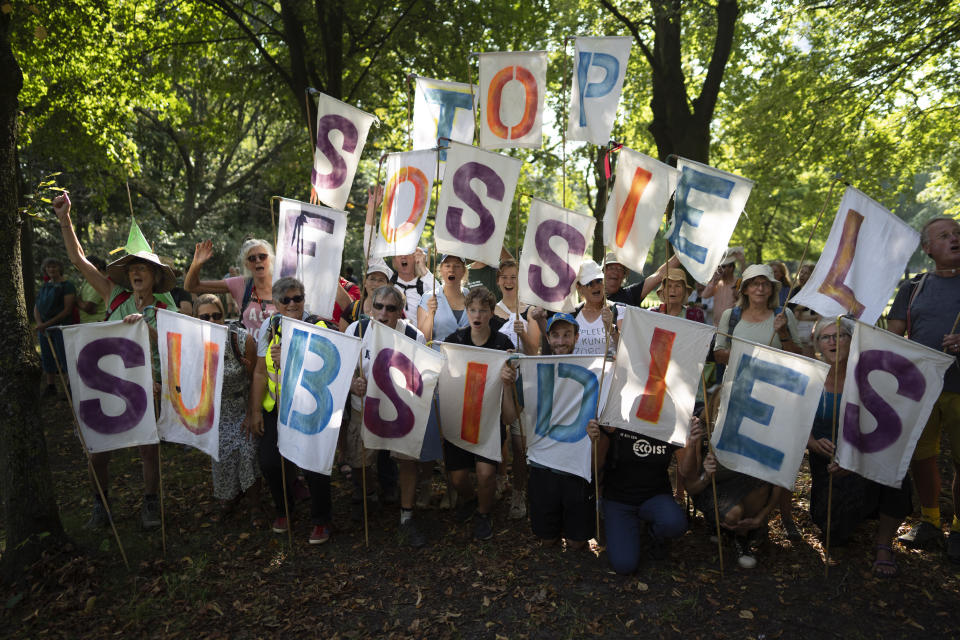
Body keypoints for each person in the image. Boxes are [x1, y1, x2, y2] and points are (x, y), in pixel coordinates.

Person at [53, 192, 177, 530]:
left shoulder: (167, 309)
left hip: (148, 385)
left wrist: (147, 335)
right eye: (133, 268)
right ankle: (100, 505)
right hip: (106, 382)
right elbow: (80, 260)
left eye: (143, 269)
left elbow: (173, 351)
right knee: (98, 450)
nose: (137, 273)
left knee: (148, 449)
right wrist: (65, 218)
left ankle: (150, 503)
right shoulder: (114, 296)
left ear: (154, 276)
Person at [806, 317, 913, 576]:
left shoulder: (871, 377)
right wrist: (811, 443)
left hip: (865, 456)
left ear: (851, 341)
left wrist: (855, 459)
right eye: (826, 337)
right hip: (828, 462)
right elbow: (793, 422)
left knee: (896, 472)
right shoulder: (810, 376)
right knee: (835, 533)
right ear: (818, 344)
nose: (833, 341)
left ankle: (883, 545)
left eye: (840, 335)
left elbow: (888, 429)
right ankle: (864, 508)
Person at [887, 216, 960, 562]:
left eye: (957, 233)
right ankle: (930, 521)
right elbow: (893, 337)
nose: (955, 238)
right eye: (944, 236)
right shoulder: (912, 288)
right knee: (922, 456)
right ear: (928, 249)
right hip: (923, 389)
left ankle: (959, 528)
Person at [714, 263, 802, 541]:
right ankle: (739, 513)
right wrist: (751, 357)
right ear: (745, 289)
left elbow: (799, 355)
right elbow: (718, 354)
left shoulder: (783, 314)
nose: (760, 288)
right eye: (755, 283)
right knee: (739, 456)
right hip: (738, 397)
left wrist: (784, 332)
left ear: (774, 288)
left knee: (776, 459)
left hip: (775, 401)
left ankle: (784, 516)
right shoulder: (731, 316)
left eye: (765, 284)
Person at [245, 277, 335, 545]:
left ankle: (321, 520)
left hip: (310, 408)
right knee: (271, 463)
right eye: (285, 300)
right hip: (278, 408)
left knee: (312, 466)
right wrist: (256, 412)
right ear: (275, 304)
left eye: (297, 298)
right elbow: (260, 372)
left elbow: (329, 364)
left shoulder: (319, 325)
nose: (292, 303)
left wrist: (291, 356)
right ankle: (284, 510)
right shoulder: (270, 326)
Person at [346, 285, 437, 548]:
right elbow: (345, 368)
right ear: (369, 307)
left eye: (391, 308)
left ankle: (406, 516)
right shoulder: (357, 330)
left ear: (400, 311)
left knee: (407, 461)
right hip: (364, 408)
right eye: (378, 306)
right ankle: (369, 496)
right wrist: (353, 383)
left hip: (402, 412)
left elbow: (421, 376)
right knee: (360, 462)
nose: (383, 313)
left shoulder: (412, 335)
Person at [501, 312, 595, 550]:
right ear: (548, 338)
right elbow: (509, 417)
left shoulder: (595, 368)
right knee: (547, 540)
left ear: (576, 337)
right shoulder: (533, 369)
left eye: (567, 335)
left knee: (577, 543)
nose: (561, 340)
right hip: (543, 464)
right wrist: (506, 385)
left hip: (576, 465)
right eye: (555, 335)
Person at [442, 287, 515, 540]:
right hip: (460, 416)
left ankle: (484, 514)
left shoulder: (503, 344)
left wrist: (508, 378)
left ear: (491, 313)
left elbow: (510, 406)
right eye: (472, 310)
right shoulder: (454, 341)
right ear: (467, 310)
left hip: (488, 420)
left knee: (486, 474)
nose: (477, 315)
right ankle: (470, 500)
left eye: (483, 310)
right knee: (458, 478)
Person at [587, 416, 699, 574]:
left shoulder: (671, 420)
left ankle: (655, 534)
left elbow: (687, 471)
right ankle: (625, 531)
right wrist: (594, 442)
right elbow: (594, 468)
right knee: (624, 566)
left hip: (655, 497)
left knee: (675, 524)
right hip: (619, 499)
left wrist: (691, 445)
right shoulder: (615, 418)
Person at [682, 426, 782, 570]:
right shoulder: (702, 428)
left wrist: (761, 516)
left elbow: (779, 479)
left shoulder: (761, 427)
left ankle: (742, 537)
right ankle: (718, 524)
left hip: (740, 485)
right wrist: (706, 477)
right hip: (710, 488)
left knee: (763, 480)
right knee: (733, 513)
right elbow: (691, 488)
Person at [195, 294, 259, 516]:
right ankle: (229, 498)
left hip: (243, 405)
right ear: (196, 319)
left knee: (248, 455)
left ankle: (255, 506)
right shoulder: (193, 343)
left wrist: (252, 413)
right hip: (216, 411)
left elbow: (255, 380)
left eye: (217, 315)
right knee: (222, 457)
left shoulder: (241, 340)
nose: (212, 321)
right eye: (205, 317)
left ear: (224, 315)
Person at [493, 258, 541, 519]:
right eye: (505, 277)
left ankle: (519, 493)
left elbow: (533, 350)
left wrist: (522, 333)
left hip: (523, 384)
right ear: (498, 280)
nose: (509, 282)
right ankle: (499, 478)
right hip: (497, 384)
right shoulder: (492, 310)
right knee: (496, 438)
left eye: (514, 277)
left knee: (519, 444)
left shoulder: (530, 310)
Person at [186, 238, 277, 335]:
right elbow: (191, 287)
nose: (258, 260)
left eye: (262, 256)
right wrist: (197, 263)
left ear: (270, 259)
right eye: (252, 258)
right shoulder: (241, 284)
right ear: (246, 264)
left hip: (277, 349)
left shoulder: (282, 285)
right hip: (248, 349)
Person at [34, 256, 76, 394]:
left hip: (61, 327)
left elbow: (67, 310)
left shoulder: (67, 285)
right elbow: (37, 307)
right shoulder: (45, 286)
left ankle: (70, 387)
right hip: (44, 329)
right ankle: (51, 386)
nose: (51, 269)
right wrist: (40, 324)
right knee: (46, 356)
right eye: (49, 267)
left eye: (54, 266)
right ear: (45, 270)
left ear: (60, 268)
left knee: (65, 356)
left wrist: (46, 324)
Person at [571, 260, 621, 356]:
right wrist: (540, 319)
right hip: (576, 370)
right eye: (589, 283)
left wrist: (612, 330)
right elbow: (558, 342)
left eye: (599, 281)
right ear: (579, 288)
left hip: (606, 371)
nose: (596, 286)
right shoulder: (572, 313)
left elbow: (627, 350)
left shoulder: (618, 310)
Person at [418, 254, 468, 347]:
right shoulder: (429, 297)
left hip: (466, 359)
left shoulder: (472, 297)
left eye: (457, 266)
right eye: (447, 265)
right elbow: (422, 340)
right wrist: (430, 314)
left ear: (464, 271)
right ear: (440, 270)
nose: (451, 270)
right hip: (438, 359)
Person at [603, 252, 678, 307]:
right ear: (602, 272)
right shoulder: (593, 296)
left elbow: (659, 275)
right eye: (611, 268)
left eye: (620, 269)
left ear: (624, 275)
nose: (615, 271)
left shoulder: (631, 294)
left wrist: (681, 254)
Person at [701, 248, 741, 327]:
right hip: (716, 325)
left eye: (724, 266)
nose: (722, 269)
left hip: (733, 325)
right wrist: (714, 280)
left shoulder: (738, 282)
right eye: (721, 267)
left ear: (731, 268)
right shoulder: (717, 283)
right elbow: (704, 295)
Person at [788, 263, 819, 356]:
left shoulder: (816, 293)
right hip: (795, 330)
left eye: (806, 273)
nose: (802, 275)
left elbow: (820, 316)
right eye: (801, 272)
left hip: (810, 331)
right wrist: (796, 310)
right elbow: (789, 309)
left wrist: (801, 318)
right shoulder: (795, 291)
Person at [75, 255, 106, 323]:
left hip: (97, 323)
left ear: (97, 265)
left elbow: (88, 308)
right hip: (88, 323)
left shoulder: (98, 280)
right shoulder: (87, 280)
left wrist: (77, 300)